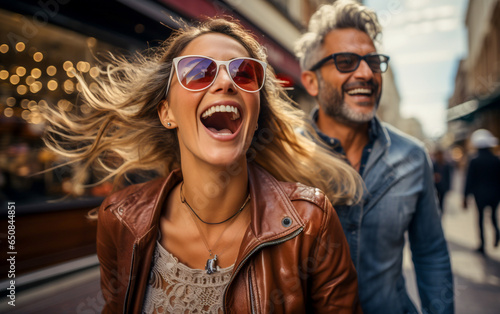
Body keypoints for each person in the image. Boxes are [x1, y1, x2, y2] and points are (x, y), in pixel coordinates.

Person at [42, 18, 364, 313]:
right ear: (166, 112)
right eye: (198, 71)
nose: (226, 82)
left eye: (243, 73)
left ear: (255, 122)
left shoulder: (311, 222)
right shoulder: (119, 221)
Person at [294, 1, 454, 313]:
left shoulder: (412, 156)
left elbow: (430, 251)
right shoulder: (284, 158)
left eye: (374, 61)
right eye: (345, 61)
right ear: (311, 81)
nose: (366, 73)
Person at [463, 129, 500, 254]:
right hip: (495, 194)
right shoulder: (496, 160)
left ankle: (482, 244)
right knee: (493, 216)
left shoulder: (474, 160)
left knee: (480, 219)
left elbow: (469, 180)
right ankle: (497, 233)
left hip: (479, 195)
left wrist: (465, 197)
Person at [433, 148, 452, 213]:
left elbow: (448, 177)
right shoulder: (433, 165)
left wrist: (448, 187)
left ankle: (441, 212)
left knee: (442, 201)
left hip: (443, 187)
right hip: (436, 186)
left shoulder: (446, 165)